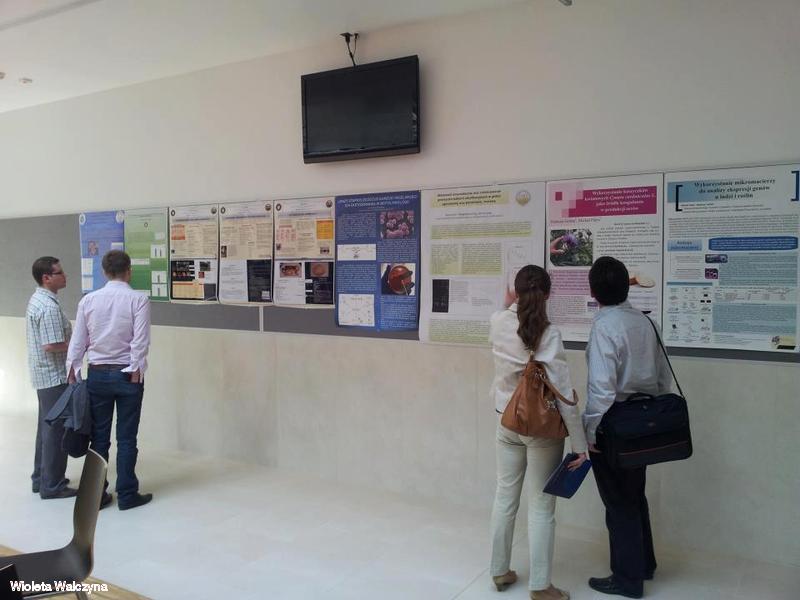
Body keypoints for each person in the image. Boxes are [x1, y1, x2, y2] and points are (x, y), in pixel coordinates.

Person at [489, 265, 588, 600]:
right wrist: (579, 445)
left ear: (515, 292)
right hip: (542, 429)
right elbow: (563, 394)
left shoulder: (498, 321)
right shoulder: (550, 334)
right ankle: (541, 586)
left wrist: (508, 301)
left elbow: (506, 313)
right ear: (548, 295)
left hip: (506, 422)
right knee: (542, 506)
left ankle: (499, 570)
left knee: (505, 496)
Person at [584, 257, 672, 599]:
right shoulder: (647, 323)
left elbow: (602, 388)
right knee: (635, 495)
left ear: (593, 292)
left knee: (618, 503)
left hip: (614, 422)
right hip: (643, 419)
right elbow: (663, 378)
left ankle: (627, 579)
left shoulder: (604, 326)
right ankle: (644, 565)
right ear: (627, 286)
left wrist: (590, 430)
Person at [66, 250, 153, 510]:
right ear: (129, 271)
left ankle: (96, 495)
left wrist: (73, 369)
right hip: (128, 375)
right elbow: (140, 340)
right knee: (127, 438)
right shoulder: (139, 299)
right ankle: (127, 494)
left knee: (99, 438)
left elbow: (79, 340)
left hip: (97, 374)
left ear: (104, 272)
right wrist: (136, 368)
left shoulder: (88, 300)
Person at [26, 257, 77, 499]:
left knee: (46, 430)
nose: (65, 275)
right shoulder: (48, 307)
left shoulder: (38, 299)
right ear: (47, 278)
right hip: (54, 378)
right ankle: (53, 485)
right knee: (56, 432)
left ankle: (41, 478)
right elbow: (51, 345)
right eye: (60, 272)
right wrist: (78, 345)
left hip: (43, 376)